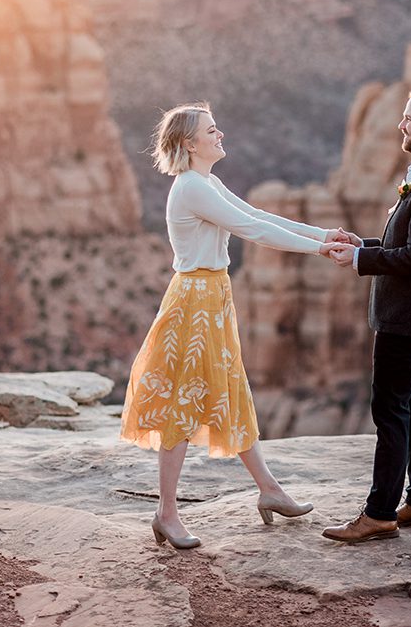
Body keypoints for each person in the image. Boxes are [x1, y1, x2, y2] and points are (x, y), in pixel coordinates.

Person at [119, 102, 347, 549]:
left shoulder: (207, 181)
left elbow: (261, 216)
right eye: (211, 130)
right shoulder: (190, 188)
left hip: (213, 296)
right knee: (185, 401)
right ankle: (166, 513)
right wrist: (318, 252)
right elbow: (252, 231)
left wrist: (324, 235)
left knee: (229, 390)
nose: (220, 134)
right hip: (195, 302)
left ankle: (270, 490)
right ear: (190, 143)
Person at [323, 86, 411, 544]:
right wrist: (360, 246)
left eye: (408, 118)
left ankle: (379, 513)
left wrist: (362, 262)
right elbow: (406, 247)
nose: (400, 125)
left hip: (407, 318)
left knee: (390, 412)